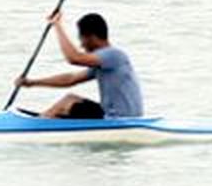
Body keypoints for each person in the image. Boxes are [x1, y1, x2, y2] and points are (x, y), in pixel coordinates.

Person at [14, 11, 144, 119]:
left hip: (120, 119)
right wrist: (32, 83)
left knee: (68, 101)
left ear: (91, 37)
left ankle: (36, 126)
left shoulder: (113, 55)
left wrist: (57, 26)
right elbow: (70, 79)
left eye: (81, 39)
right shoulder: (104, 62)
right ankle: (45, 119)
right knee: (68, 105)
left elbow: (73, 58)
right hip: (117, 116)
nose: (81, 45)